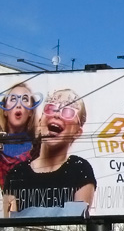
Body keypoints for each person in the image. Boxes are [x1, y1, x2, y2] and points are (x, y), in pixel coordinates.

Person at [3, 88, 97, 219]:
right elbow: (9, 226)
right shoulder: (16, 173)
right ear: (41, 120)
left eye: (68, 111)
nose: (57, 115)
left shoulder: (79, 169)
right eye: (51, 108)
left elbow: (77, 225)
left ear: (77, 132)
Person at [0, 83, 38, 187]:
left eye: (25, 99)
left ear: (30, 112)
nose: (18, 104)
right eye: (13, 99)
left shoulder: (38, 150)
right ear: (5, 111)